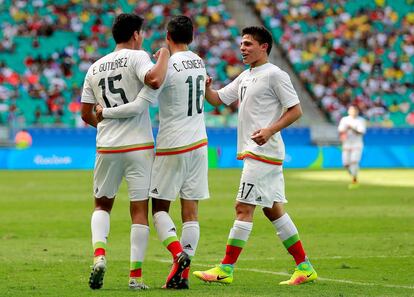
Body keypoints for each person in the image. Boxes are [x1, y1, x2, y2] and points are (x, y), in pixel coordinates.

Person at [193, 26, 317, 286]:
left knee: (243, 207)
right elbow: (217, 100)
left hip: (262, 151)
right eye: (241, 44)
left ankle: (226, 268)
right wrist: (206, 88)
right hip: (257, 153)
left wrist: (270, 130)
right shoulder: (245, 76)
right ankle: (304, 267)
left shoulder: (275, 75)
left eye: (248, 44)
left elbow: (295, 110)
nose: (242, 48)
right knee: (273, 211)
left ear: (264, 47)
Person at [97, 15, 208, 290]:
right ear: (191, 37)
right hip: (200, 143)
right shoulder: (199, 62)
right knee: (191, 212)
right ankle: (181, 274)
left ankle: (177, 253)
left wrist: (104, 112)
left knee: (158, 208)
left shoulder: (167, 65)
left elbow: (138, 105)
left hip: (173, 144)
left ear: (168, 38)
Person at [80, 13, 170, 290]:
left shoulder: (94, 67)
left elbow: (85, 114)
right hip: (139, 145)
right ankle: (135, 277)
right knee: (139, 210)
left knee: (102, 205)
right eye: (141, 33)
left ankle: (99, 257)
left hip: (106, 145)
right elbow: (154, 79)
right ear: (135, 35)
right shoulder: (138, 56)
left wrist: (106, 126)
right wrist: (164, 55)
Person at [338, 105, 366, 188]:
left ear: (357, 111)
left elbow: (361, 132)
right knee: (346, 163)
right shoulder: (344, 120)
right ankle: (353, 175)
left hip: (357, 144)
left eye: (354, 110)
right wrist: (346, 130)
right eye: (351, 110)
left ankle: (354, 179)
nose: (353, 112)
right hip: (347, 143)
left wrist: (352, 128)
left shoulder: (361, 120)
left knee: (354, 161)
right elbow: (340, 131)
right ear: (348, 111)